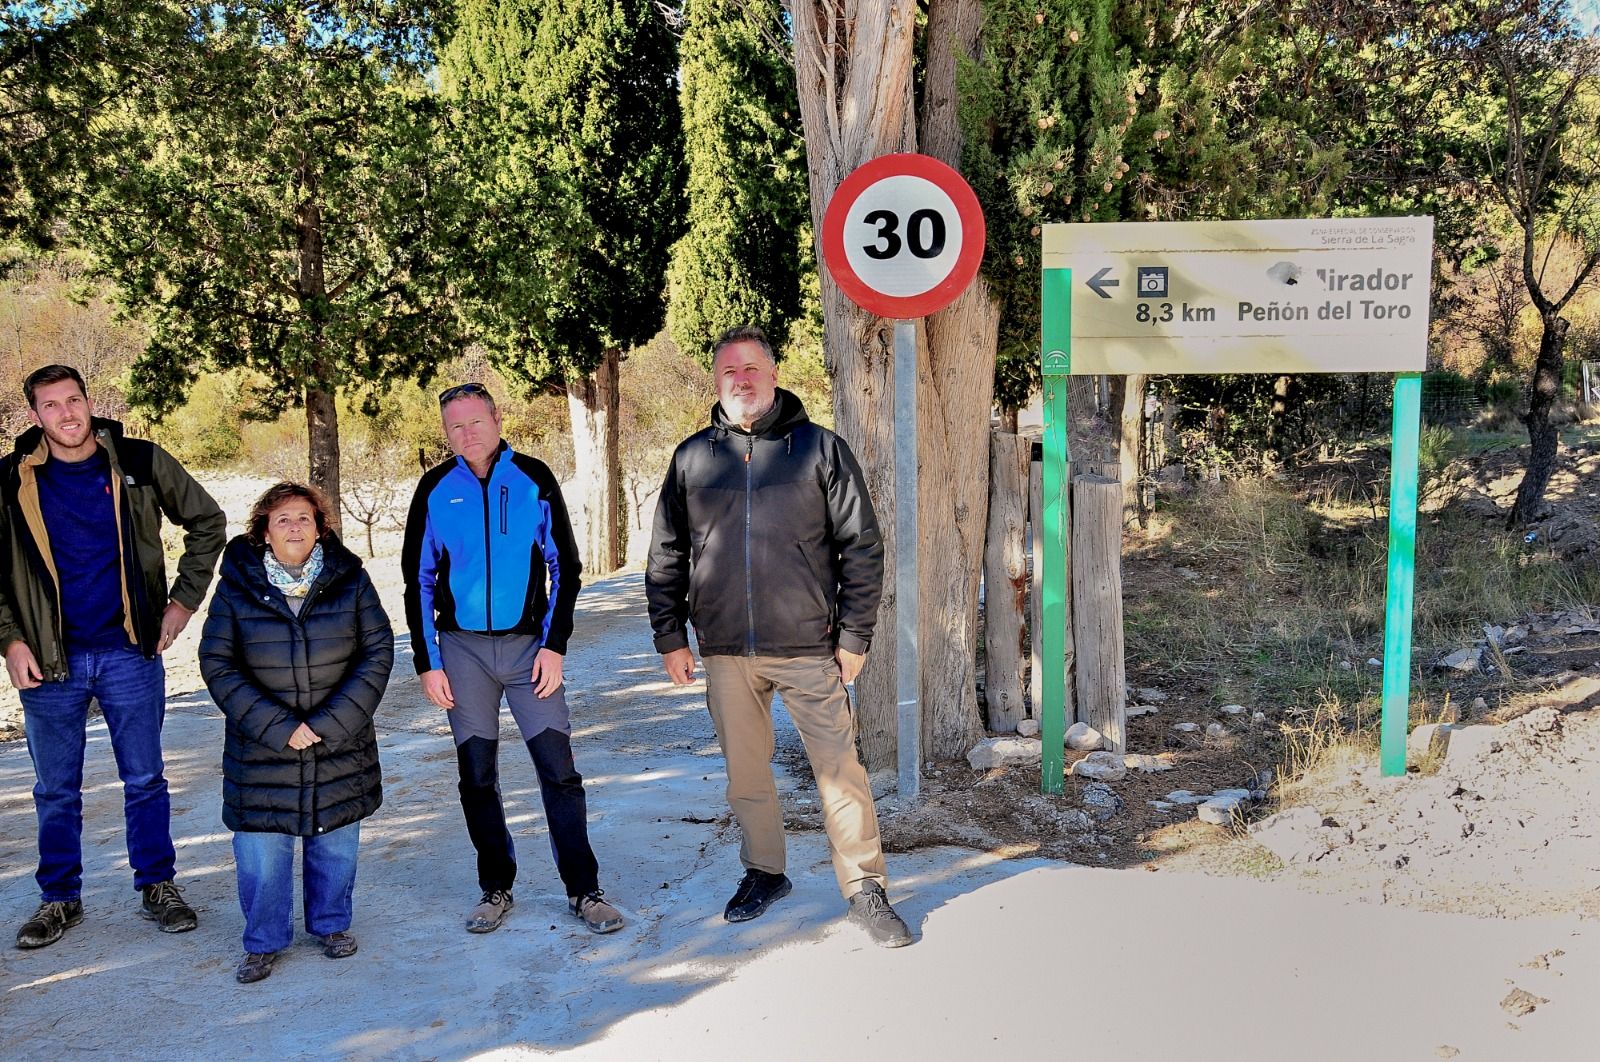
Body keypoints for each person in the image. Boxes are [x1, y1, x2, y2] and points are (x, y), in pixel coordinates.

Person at [645, 325, 913, 948]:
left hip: (809, 646)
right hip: (725, 649)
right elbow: (666, 555)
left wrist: (854, 635)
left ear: (773, 373)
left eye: (751, 368)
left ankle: (864, 888)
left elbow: (862, 547)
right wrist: (670, 636)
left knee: (839, 771)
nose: (741, 380)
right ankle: (765, 872)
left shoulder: (819, 449)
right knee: (746, 773)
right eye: (729, 371)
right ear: (717, 380)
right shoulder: (692, 458)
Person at [1, 364, 225, 949]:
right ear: (35, 415)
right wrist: (10, 640)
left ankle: (158, 885)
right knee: (55, 790)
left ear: (88, 401)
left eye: (73, 400)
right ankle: (59, 897)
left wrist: (182, 602)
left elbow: (207, 521)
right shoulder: (9, 479)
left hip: (130, 651)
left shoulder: (139, 461)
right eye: (51, 405)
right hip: (48, 662)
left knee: (145, 779)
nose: (66, 414)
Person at [402, 382, 623, 936]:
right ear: (445, 432)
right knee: (476, 776)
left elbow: (565, 567)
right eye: (455, 425)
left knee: (559, 771)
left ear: (497, 419)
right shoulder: (435, 488)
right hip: (462, 653)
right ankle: (495, 886)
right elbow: (417, 580)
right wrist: (428, 661)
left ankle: (584, 890)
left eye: (476, 421)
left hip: (530, 651)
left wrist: (554, 645)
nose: (467, 433)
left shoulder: (532, 478)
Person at [198, 483, 393, 983]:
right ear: (264, 531)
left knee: (335, 841)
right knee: (262, 852)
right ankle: (263, 941)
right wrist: (279, 726)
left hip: (339, 743)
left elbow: (377, 652)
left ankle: (331, 924)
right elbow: (217, 661)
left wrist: (329, 724)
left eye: (304, 517)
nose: (294, 527)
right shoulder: (236, 586)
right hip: (262, 747)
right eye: (282, 518)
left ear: (320, 528)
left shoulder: (350, 579)